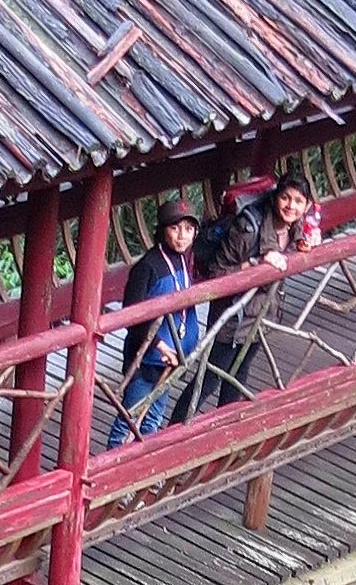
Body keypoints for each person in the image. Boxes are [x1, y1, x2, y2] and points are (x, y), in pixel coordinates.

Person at [183, 163, 317, 418]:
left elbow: (298, 235)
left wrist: (304, 241)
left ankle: (224, 432)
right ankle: (174, 432)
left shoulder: (294, 227)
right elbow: (216, 272)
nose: (291, 206)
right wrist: (254, 266)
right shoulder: (248, 227)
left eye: (298, 201)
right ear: (275, 197)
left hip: (261, 315)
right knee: (209, 380)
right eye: (286, 198)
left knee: (237, 378)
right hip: (232, 316)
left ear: (307, 206)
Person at [106, 196, 203, 448]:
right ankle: (111, 474)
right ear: (162, 231)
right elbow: (132, 316)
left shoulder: (185, 257)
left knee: (153, 419)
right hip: (147, 359)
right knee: (130, 418)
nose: (182, 236)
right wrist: (160, 346)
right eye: (175, 228)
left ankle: (140, 470)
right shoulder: (147, 267)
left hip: (173, 358)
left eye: (189, 229)